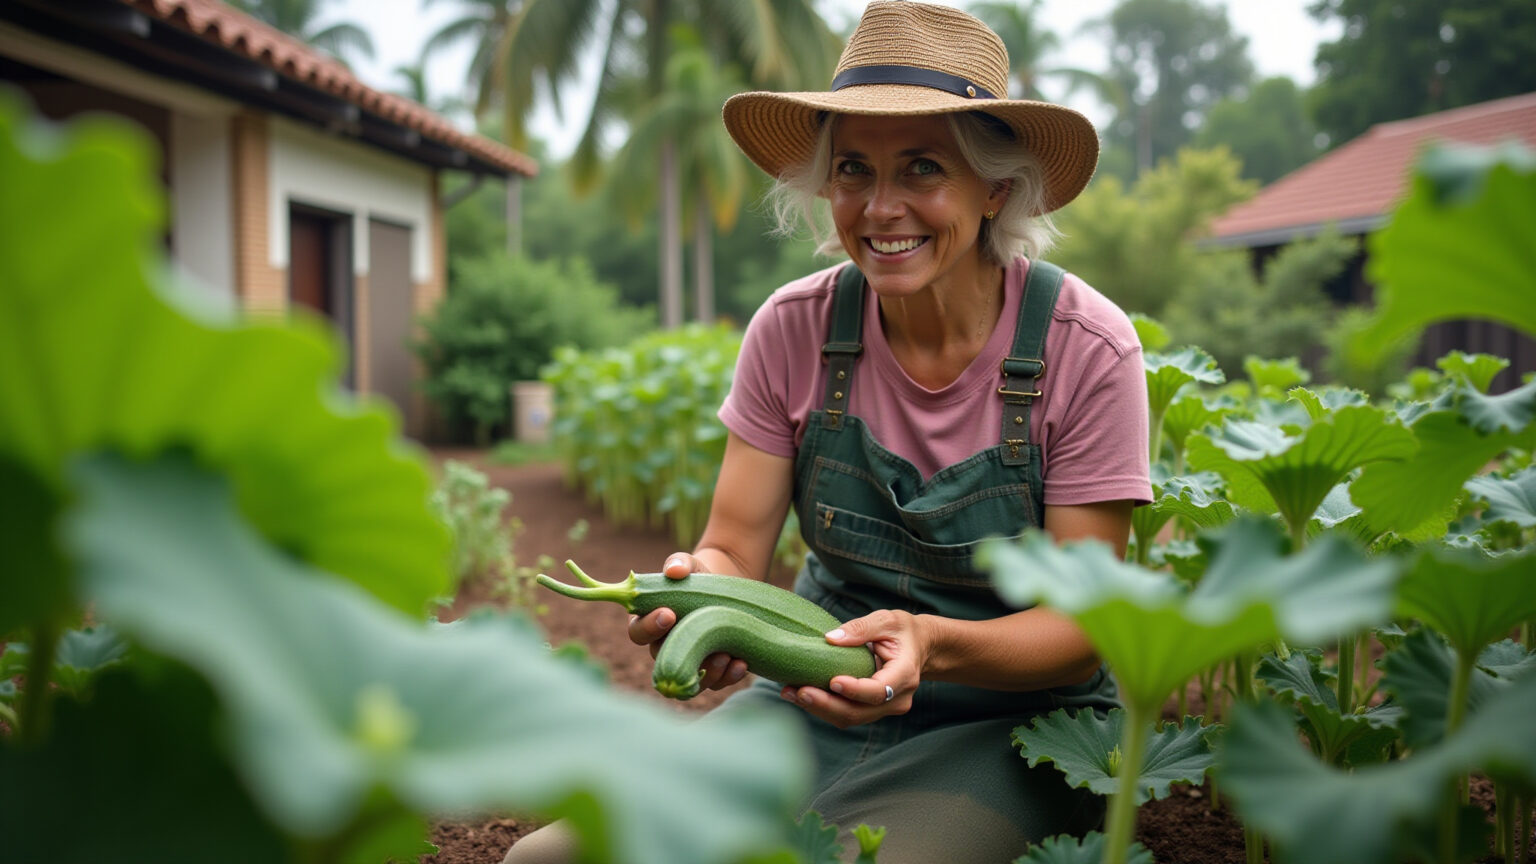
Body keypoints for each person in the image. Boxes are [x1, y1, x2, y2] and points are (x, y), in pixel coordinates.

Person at [505, 3, 1151, 862]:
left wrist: (935, 645)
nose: (881, 209)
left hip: (1017, 720)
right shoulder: (793, 329)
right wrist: (705, 598)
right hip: (810, 693)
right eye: (853, 171)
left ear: (996, 186)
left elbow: (1084, 631)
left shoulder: (1087, 349)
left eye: (922, 169)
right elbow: (732, 546)